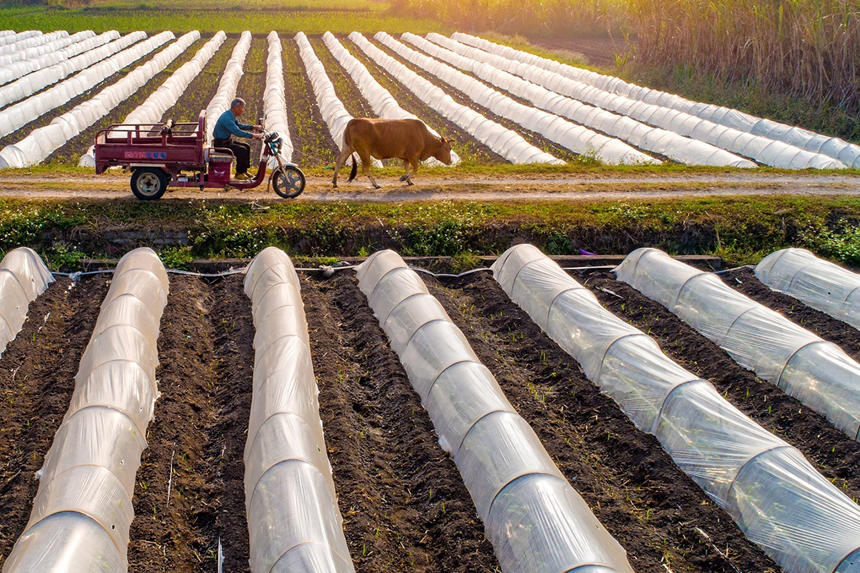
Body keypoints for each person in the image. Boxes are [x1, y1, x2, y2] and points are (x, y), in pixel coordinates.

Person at [212, 98, 263, 179]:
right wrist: (254, 135)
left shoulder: (230, 115)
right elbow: (237, 132)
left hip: (226, 141)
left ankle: (244, 171)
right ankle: (239, 173)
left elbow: (239, 125)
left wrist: (253, 127)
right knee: (241, 151)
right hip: (221, 144)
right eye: (242, 108)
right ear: (236, 107)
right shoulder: (227, 118)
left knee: (246, 147)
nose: (243, 110)